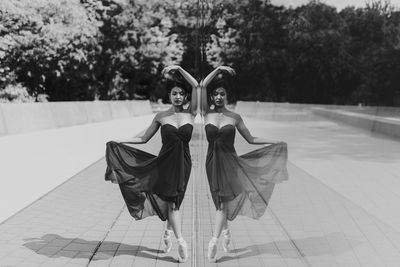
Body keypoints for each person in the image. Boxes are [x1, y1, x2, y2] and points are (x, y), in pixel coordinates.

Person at [105, 65, 198, 262]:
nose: (178, 96)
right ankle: (181, 241)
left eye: (181, 93)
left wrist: (180, 69)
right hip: (165, 163)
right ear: (169, 96)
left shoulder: (191, 113)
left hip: (184, 164)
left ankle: (167, 231)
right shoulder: (161, 117)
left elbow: (197, 86)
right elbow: (144, 138)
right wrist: (121, 141)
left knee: (176, 202)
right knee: (172, 203)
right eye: (174, 93)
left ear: (186, 97)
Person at [200, 66, 289, 262]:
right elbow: (202, 85)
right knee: (218, 201)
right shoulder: (206, 114)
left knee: (223, 203)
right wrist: (219, 69)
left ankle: (213, 241)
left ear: (227, 96)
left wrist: (274, 142)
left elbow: (250, 139)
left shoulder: (235, 118)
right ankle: (226, 231)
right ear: (212, 98)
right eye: (215, 94)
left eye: (222, 94)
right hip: (212, 162)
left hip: (230, 163)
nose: (218, 97)